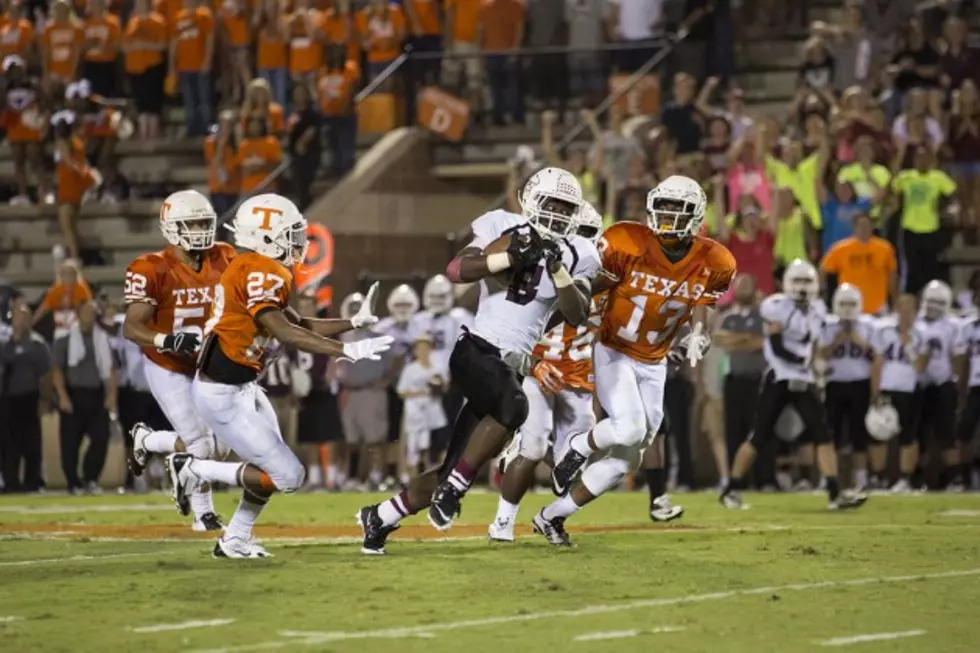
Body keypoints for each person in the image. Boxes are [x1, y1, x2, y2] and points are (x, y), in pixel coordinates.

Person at [358, 167, 599, 554]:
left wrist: (557, 269)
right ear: (532, 200)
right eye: (551, 203)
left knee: (454, 463)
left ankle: (382, 516)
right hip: (477, 350)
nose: (556, 213)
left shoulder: (578, 254)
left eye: (565, 207)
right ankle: (455, 489)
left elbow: (577, 313)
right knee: (515, 408)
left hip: (508, 368)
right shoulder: (504, 226)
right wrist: (507, 257)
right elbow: (457, 270)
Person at [165, 193, 392, 558]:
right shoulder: (260, 270)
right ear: (265, 237)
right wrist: (345, 350)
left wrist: (352, 323)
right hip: (220, 393)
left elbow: (298, 323)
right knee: (289, 475)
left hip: (242, 387)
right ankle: (192, 469)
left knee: (270, 468)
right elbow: (285, 332)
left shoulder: (259, 267)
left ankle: (235, 538)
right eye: (291, 235)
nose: (299, 244)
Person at [539, 175, 734, 546]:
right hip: (614, 350)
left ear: (695, 215)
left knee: (630, 458)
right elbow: (585, 291)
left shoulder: (715, 259)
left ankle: (552, 516)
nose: (668, 215)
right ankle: (579, 446)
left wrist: (699, 334)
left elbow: (702, 303)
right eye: (664, 207)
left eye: (678, 209)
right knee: (628, 428)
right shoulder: (626, 241)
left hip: (654, 362)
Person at [488, 204, 603, 542]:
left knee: (571, 468)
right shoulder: (538, 274)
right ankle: (503, 523)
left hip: (579, 377)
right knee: (534, 448)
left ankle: (550, 519)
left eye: (586, 235)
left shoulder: (604, 274)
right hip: (539, 369)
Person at [124, 190, 236, 532]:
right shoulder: (152, 267)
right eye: (192, 223)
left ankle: (148, 440)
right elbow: (132, 326)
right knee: (201, 445)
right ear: (171, 228)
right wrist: (167, 340)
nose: (201, 230)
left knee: (223, 446)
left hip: (206, 363)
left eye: (205, 222)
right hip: (166, 363)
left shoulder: (224, 256)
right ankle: (204, 515)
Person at [721, 260, 867, 511]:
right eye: (798, 281)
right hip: (779, 376)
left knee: (823, 435)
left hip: (804, 378)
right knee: (758, 437)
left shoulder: (818, 309)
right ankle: (731, 490)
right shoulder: (776, 306)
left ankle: (834, 494)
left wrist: (816, 365)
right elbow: (777, 345)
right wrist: (802, 360)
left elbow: (814, 345)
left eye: (807, 281)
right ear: (788, 282)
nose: (802, 286)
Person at [51, 300, 117, 494]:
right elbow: (57, 370)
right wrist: (63, 396)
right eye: (86, 312)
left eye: (93, 312)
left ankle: (91, 478)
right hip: (73, 394)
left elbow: (112, 369)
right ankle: (74, 482)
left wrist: (111, 395)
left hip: (97, 394)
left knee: (101, 438)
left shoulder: (103, 339)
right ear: (78, 315)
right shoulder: (64, 339)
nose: (90, 315)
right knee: (70, 443)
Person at [713, 274, 767, 488]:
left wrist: (736, 340)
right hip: (734, 380)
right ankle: (738, 481)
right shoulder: (727, 316)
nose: (743, 289)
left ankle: (765, 480)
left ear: (755, 288)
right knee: (733, 431)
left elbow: (761, 343)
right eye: (739, 285)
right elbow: (718, 339)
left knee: (759, 429)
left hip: (758, 379)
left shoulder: (763, 315)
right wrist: (746, 338)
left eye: (747, 285)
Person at [869, 293, 928, 490]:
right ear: (895, 310)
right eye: (901, 308)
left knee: (908, 436)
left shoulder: (922, 333)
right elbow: (877, 363)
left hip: (909, 389)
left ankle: (905, 479)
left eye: (909, 309)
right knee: (878, 434)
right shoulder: (883, 331)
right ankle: (878, 477)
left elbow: (920, 367)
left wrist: (909, 346)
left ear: (917, 311)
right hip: (887, 388)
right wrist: (875, 392)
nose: (905, 313)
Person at [818, 283, 874, 490]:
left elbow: (876, 356)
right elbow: (821, 355)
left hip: (860, 384)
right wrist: (837, 341)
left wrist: (859, 341)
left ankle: (861, 480)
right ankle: (829, 477)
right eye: (844, 303)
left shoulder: (868, 326)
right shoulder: (828, 326)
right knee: (831, 435)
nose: (848, 308)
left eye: (852, 303)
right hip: (835, 384)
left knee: (859, 435)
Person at [292, 293, 345, 490]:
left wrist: (332, 373)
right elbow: (291, 359)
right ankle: (314, 478)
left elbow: (335, 351)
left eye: (308, 306)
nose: (305, 310)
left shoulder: (324, 328)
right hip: (305, 389)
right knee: (309, 436)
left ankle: (331, 477)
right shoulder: (294, 329)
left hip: (324, 386)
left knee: (328, 435)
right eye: (302, 306)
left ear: (315, 308)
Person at [915, 280, 963, 489]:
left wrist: (955, 381)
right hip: (918, 384)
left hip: (943, 384)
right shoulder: (915, 323)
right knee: (918, 435)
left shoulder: (954, 325)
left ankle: (954, 478)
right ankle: (916, 480)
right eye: (931, 301)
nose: (933, 306)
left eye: (938, 301)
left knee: (947, 434)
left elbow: (958, 356)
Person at [0, 298, 52, 493]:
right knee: (8, 444)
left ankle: (33, 482)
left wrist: (44, 400)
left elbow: (46, 375)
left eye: (25, 317)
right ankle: (10, 481)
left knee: (31, 442)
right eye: (18, 317)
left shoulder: (37, 344)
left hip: (29, 398)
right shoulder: (4, 342)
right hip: (6, 399)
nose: (21, 321)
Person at [890, 147, 957, 295]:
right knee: (912, 268)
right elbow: (893, 190)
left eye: (925, 158)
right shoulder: (905, 177)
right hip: (909, 228)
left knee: (931, 267)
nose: (922, 161)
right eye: (918, 158)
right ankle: (910, 299)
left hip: (931, 229)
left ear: (931, 161)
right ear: (914, 161)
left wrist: (949, 209)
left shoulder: (939, 177)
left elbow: (952, 195)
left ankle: (931, 297)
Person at [377, 284, 421, 484]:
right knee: (389, 433)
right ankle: (389, 472)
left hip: (415, 389)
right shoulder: (381, 328)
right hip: (388, 387)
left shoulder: (421, 326)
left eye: (406, 304)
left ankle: (410, 472)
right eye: (399, 304)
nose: (403, 308)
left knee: (414, 432)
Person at [819, 212, 897, 315]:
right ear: (854, 227)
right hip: (849, 307)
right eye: (860, 225)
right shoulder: (840, 249)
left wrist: (894, 301)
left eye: (866, 225)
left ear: (872, 226)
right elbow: (823, 270)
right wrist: (821, 293)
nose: (863, 228)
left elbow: (892, 277)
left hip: (877, 309)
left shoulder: (885, 248)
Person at [3, 55, 51, 206]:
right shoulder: (5, 88)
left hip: (31, 126)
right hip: (15, 126)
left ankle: (45, 192)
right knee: (18, 160)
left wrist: (43, 125)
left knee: (35, 158)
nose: (14, 72)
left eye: (16, 68)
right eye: (10, 70)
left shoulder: (33, 84)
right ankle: (22, 194)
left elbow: (46, 106)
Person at [397, 333, 448, 475]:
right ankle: (408, 475)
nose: (423, 351)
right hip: (414, 412)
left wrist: (438, 387)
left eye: (426, 348)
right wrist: (418, 393)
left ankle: (426, 474)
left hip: (432, 413)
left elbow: (444, 388)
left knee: (428, 445)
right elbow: (401, 391)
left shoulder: (436, 368)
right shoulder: (410, 369)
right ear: (415, 351)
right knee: (412, 445)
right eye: (420, 348)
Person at [122, 0, 167, 141]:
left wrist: (143, 45)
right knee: (140, 103)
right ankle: (143, 135)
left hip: (152, 66)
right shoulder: (132, 22)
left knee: (152, 102)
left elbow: (163, 44)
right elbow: (124, 45)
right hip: (134, 68)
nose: (139, 6)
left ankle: (152, 135)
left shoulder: (158, 21)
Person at [170, 0, 215, 137]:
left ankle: (205, 126)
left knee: (203, 97)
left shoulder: (204, 15)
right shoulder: (178, 17)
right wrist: (172, 65)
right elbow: (174, 42)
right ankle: (192, 126)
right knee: (190, 98)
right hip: (184, 65)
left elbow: (210, 38)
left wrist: (207, 60)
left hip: (200, 64)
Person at [318, 43, 360, 179]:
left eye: (339, 50)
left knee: (346, 148)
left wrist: (345, 107)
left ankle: (347, 175)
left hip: (346, 115)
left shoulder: (351, 68)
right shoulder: (324, 71)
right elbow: (320, 92)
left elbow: (352, 90)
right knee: (333, 148)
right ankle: (335, 174)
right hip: (328, 116)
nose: (336, 54)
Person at [34, 258, 93, 339]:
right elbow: (43, 308)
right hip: (60, 328)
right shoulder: (56, 289)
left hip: (78, 327)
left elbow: (89, 308)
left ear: (76, 275)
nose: (67, 277)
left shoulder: (81, 288)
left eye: (70, 274)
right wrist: (31, 323)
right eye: (64, 274)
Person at [287, 83, 322, 211]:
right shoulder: (292, 112)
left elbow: (313, 129)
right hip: (295, 154)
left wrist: (302, 142)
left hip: (309, 153)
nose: (299, 96)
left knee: (306, 182)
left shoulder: (312, 112)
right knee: (297, 182)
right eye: (296, 93)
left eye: (301, 93)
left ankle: (307, 206)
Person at [204, 110, 240, 220]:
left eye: (229, 125)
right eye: (223, 124)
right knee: (221, 221)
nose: (226, 128)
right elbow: (214, 163)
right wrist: (221, 144)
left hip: (234, 188)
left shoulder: (237, 144)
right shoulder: (211, 142)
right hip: (218, 189)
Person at [81, 0, 121, 98]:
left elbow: (116, 44)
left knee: (105, 94)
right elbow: (81, 45)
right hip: (90, 63)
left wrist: (100, 46)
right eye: (93, 4)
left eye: (98, 3)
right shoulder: (86, 23)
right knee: (90, 93)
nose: (96, 6)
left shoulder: (113, 22)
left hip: (106, 63)